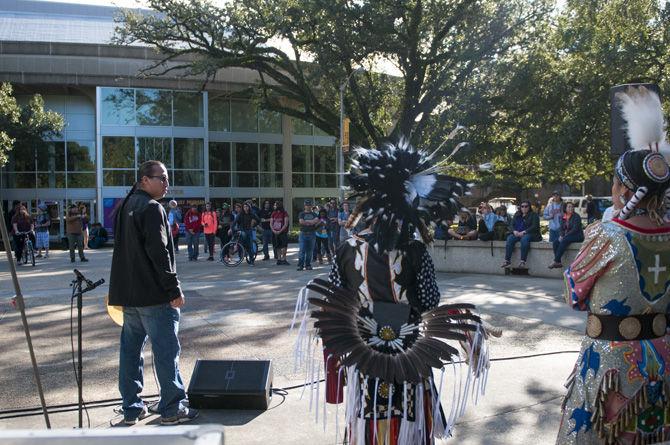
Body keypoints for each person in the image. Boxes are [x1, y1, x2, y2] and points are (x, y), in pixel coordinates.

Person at [292, 141, 490, 444]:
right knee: (409, 414)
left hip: (363, 347)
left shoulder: (347, 248)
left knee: (366, 411)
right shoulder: (413, 249)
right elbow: (428, 300)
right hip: (408, 348)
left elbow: (336, 296)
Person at [557, 86, 670, 444]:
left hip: (611, 367)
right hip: (662, 360)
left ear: (624, 188)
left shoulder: (607, 234)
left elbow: (574, 294)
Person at [109, 160, 198, 426]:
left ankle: (132, 408)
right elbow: (159, 254)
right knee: (166, 351)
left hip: (129, 296)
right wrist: (174, 289)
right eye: (162, 178)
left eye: (167, 179)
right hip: (154, 295)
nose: (166, 184)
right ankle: (172, 408)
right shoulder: (151, 208)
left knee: (130, 352)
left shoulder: (125, 205)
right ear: (145, 179)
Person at [501, 200, 541, 268]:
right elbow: (511, 225)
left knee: (524, 239)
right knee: (510, 238)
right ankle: (507, 261)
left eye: (526, 206)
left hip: (530, 233)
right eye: (522, 206)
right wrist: (514, 231)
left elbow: (535, 226)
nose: (524, 208)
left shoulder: (533, 215)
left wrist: (524, 232)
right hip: (517, 233)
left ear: (529, 207)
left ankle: (523, 261)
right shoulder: (517, 214)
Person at [548, 202, 583, 269]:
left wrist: (565, 236)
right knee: (555, 242)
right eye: (569, 207)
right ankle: (558, 262)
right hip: (566, 236)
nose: (571, 208)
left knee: (564, 240)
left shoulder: (576, 216)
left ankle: (555, 261)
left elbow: (575, 229)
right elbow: (560, 228)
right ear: (565, 208)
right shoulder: (562, 217)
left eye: (572, 207)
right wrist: (561, 235)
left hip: (577, 236)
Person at [297, 199, 318, 271]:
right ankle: (300, 265)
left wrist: (307, 222)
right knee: (302, 250)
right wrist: (310, 222)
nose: (308, 206)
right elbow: (301, 222)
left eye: (309, 205)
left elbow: (315, 221)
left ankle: (308, 265)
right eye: (306, 205)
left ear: (311, 206)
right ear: (304, 206)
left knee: (309, 251)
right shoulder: (301, 214)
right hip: (303, 234)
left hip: (312, 234)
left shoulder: (314, 214)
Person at [270, 201, 289, 265]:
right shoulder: (273, 213)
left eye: (275, 205)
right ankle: (279, 259)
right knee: (277, 246)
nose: (274, 206)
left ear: (279, 206)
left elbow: (286, 224)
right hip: (275, 232)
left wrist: (280, 231)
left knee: (284, 246)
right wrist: (274, 230)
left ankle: (284, 259)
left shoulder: (284, 213)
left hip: (283, 232)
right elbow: (271, 223)